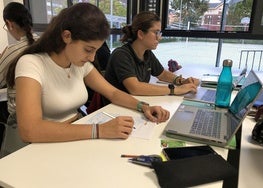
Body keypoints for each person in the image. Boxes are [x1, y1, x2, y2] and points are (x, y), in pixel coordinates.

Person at [5, 3, 170, 143]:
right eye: (88, 50)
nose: (91, 58)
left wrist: (143, 107)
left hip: (74, 133)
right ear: (67, 36)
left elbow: (112, 92)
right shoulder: (31, 64)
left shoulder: (78, 62)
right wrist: (99, 130)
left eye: (95, 51)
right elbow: (30, 130)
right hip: (36, 146)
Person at [104, 11, 199, 99]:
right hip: (115, 109)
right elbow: (135, 88)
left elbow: (162, 74)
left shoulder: (147, 53)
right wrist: (175, 90)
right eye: (155, 32)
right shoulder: (120, 55)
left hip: (134, 103)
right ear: (141, 34)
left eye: (159, 33)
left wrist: (181, 81)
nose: (159, 38)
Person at [0, 2, 39, 123]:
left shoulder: (12, 51)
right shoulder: (45, 42)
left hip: (21, 116)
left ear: (9, 24)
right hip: (48, 107)